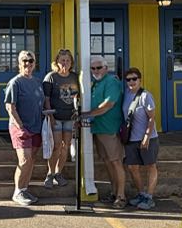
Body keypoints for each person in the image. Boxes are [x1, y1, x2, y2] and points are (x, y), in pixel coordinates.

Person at [81, 55, 127, 208]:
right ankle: (114, 192)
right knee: (107, 162)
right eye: (93, 68)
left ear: (106, 68)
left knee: (116, 162)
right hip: (98, 128)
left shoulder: (112, 82)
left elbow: (108, 105)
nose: (96, 70)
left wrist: (86, 115)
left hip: (110, 129)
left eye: (99, 67)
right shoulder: (94, 83)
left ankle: (121, 196)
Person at [3, 50, 44, 206]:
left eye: (30, 60)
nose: (28, 63)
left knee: (31, 159)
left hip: (36, 127)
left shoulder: (37, 82)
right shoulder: (15, 82)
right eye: (24, 61)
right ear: (19, 64)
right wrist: (20, 127)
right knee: (25, 159)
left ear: (34, 63)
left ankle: (25, 188)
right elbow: (10, 107)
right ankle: (18, 191)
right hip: (20, 128)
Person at [122, 67, 159, 210]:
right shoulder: (126, 95)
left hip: (147, 137)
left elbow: (151, 118)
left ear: (139, 80)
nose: (131, 82)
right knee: (132, 167)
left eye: (134, 79)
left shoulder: (145, 96)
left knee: (151, 165)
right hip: (131, 138)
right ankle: (141, 193)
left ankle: (149, 196)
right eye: (128, 79)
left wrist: (146, 137)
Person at [43, 49, 79, 189]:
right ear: (57, 62)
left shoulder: (75, 77)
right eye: (62, 60)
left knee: (66, 146)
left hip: (70, 117)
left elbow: (78, 96)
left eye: (68, 60)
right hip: (56, 116)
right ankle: (50, 174)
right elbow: (46, 99)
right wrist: (50, 116)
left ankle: (59, 172)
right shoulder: (51, 77)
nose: (65, 63)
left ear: (71, 63)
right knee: (57, 146)